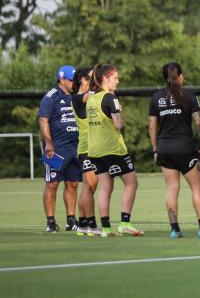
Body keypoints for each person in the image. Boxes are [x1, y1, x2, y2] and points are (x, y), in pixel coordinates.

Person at [149, 62, 200, 238]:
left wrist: (155, 150)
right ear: (180, 76)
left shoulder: (156, 98)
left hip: (164, 148)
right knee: (197, 188)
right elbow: (198, 122)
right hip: (185, 149)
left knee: (172, 188)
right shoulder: (189, 95)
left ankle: (175, 230)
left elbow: (152, 126)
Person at [86, 64, 141, 237]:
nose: (118, 81)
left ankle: (106, 229)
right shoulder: (110, 98)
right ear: (105, 79)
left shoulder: (91, 98)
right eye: (115, 78)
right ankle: (125, 223)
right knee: (132, 183)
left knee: (105, 188)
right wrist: (118, 112)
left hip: (94, 150)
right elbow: (118, 125)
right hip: (112, 149)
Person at [38, 65, 81, 232]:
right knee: (52, 183)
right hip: (56, 148)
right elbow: (43, 120)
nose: (73, 83)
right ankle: (50, 222)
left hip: (75, 147)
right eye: (71, 80)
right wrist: (48, 142)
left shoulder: (76, 96)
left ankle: (71, 220)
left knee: (73, 183)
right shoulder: (50, 97)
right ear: (62, 79)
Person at [70, 67, 101, 236]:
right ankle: (92, 225)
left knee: (88, 188)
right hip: (86, 149)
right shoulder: (77, 98)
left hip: (95, 147)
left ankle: (82, 225)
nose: (95, 81)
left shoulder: (91, 99)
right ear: (83, 80)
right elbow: (88, 96)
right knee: (91, 186)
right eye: (92, 78)